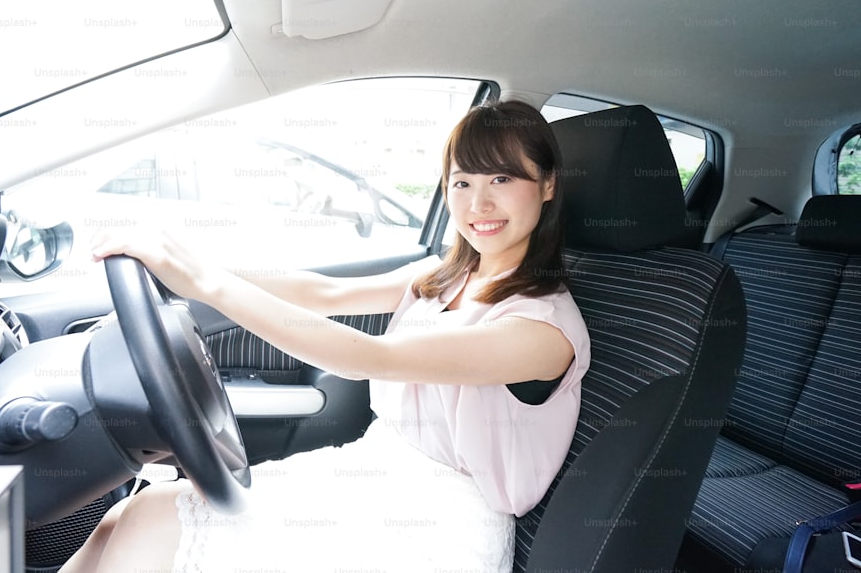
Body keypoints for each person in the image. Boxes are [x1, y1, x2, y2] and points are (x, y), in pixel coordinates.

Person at [63, 99, 591, 572]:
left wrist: (205, 283)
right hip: (368, 475)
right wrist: (188, 265)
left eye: (502, 180)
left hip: (436, 525)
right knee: (129, 513)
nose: (478, 205)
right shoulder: (447, 273)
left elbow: (374, 358)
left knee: (149, 530)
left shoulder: (541, 329)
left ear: (547, 184)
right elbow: (324, 293)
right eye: (462, 182)